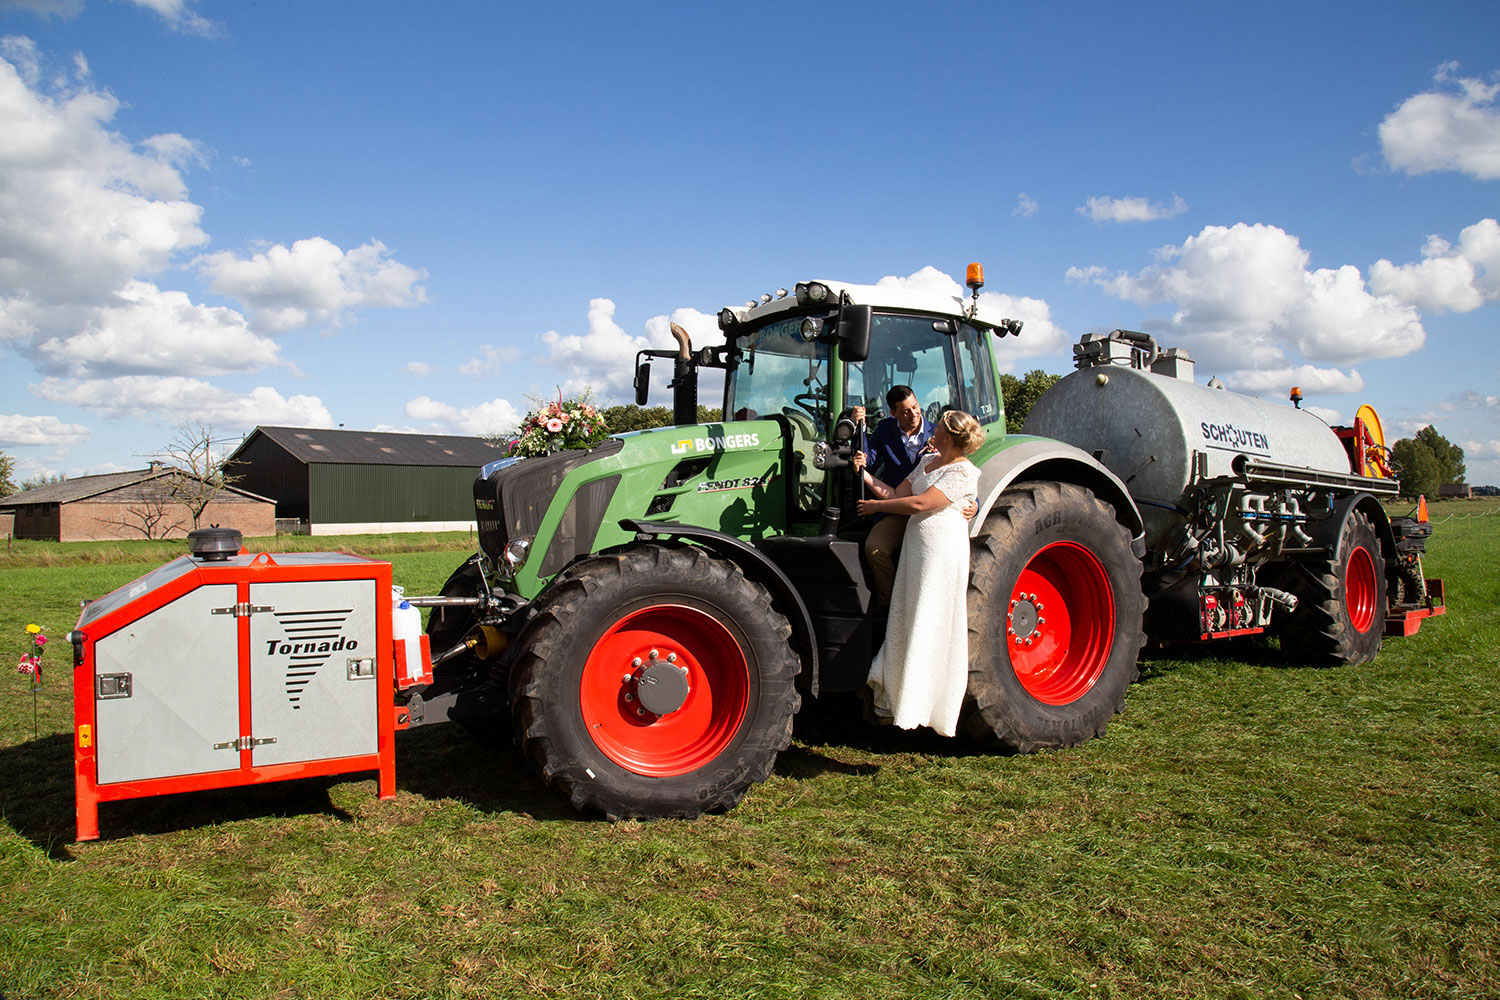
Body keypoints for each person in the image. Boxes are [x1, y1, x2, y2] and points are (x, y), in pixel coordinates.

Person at [855, 410, 985, 736]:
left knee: (930, 617)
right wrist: (865, 477)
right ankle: (897, 696)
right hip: (918, 550)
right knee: (907, 612)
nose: (933, 429)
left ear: (950, 436)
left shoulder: (965, 471)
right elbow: (898, 495)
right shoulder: (928, 461)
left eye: (939, 427)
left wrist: (875, 509)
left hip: (940, 551)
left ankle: (925, 703)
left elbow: (921, 504)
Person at [852, 386, 974, 602]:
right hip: (897, 506)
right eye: (906, 411)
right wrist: (859, 428)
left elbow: (960, 473)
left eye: (916, 407)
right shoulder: (885, 429)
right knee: (875, 547)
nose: (914, 414)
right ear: (894, 414)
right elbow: (868, 460)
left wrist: (976, 504)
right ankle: (890, 603)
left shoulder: (940, 434)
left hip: (930, 511)